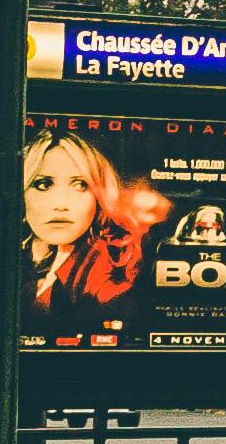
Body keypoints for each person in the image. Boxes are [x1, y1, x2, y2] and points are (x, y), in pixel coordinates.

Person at [21, 129, 166, 321]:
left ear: (99, 196)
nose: (61, 204)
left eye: (81, 185)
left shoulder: (112, 266)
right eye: (43, 184)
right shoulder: (15, 259)